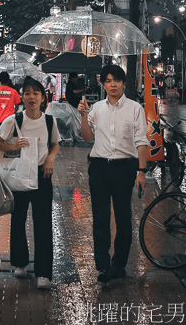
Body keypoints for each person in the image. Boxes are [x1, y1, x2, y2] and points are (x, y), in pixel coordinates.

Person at [78, 64, 148, 283]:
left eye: (116, 80)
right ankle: (102, 264)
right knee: (100, 217)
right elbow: (87, 138)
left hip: (124, 168)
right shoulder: (97, 108)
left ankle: (119, 265)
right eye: (108, 81)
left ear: (123, 83)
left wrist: (142, 171)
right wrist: (83, 116)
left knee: (123, 217)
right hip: (99, 167)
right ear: (103, 84)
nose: (112, 84)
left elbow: (141, 141)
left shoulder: (135, 108)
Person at [0, 76, 60, 289]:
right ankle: (20, 263)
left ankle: (44, 273)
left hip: (43, 176)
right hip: (19, 175)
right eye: (26, 93)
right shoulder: (13, 120)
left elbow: (55, 145)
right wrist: (14, 145)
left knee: (43, 223)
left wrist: (51, 158)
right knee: (18, 220)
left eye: (35, 93)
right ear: (21, 97)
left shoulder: (49, 121)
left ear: (43, 97)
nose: (31, 97)